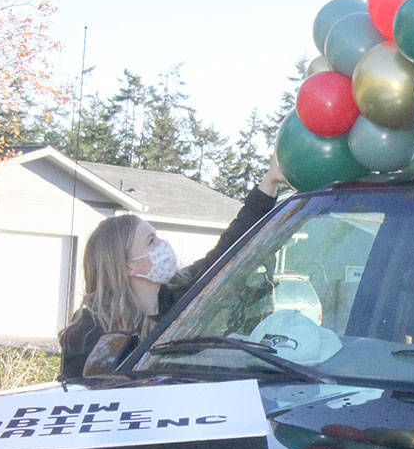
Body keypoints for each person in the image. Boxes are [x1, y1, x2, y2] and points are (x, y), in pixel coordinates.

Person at [58, 162, 287, 379]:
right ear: (128, 265)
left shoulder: (179, 295)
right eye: (151, 241)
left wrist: (268, 184)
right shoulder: (88, 332)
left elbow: (231, 248)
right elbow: (74, 395)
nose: (162, 245)